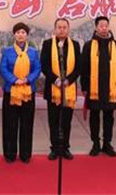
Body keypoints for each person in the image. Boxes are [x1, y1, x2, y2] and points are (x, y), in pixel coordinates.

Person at [80, 16, 116, 157]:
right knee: (94, 116)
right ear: (96, 27)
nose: (104, 28)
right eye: (101, 26)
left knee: (109, 116)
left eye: (106, 25)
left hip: (111, 87)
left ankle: (107, 143)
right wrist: (84, 87)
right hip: (94, 88)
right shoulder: (89, 45)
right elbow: (84, 68)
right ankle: (95, 143)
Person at [0, 22, 41, 163]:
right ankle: (10, 154)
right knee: (9, 124)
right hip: (11, 91)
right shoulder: (7, 51)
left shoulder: (33, 52)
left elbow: (37, 68)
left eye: (23, 32)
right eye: (18, 32)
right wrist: (14, 80)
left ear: (27, 35)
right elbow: (3, 68)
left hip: (28, 91)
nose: (20, 35)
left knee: (26, 124)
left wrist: (28, 79)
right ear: (14, 35)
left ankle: (25, 154)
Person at [40, 18, 81, 160]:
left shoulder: (75, 45)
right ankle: (55, 148)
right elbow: (44, 65)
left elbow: (78, 66)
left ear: (68, 29)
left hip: (69, 88)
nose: (62, 30)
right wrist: (56, 79)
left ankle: (65, 148)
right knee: (54, 120)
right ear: (55, 29)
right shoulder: (47, 44)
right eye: (59, 27)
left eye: (64, 27)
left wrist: (69, 80)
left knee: (66, 121)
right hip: (53, 88)